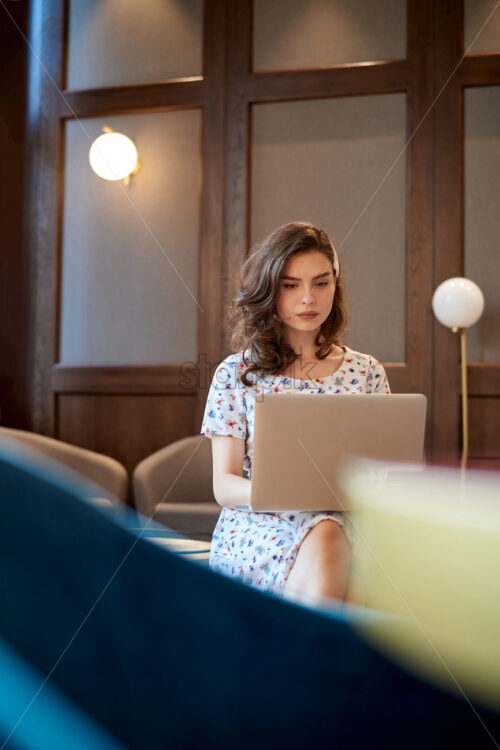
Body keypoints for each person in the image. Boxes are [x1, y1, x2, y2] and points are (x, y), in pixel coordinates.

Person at [200, 221, 390, 604]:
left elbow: (384, 474)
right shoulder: (235, 373)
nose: (308, 298)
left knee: (333, 534)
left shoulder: (367, 372)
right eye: (291, 285)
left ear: (335, 287)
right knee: (326, 538)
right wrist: (290, 496)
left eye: (321, 283)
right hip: (260, 523)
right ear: (271, 291)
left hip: (348, 519)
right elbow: (225, 485)